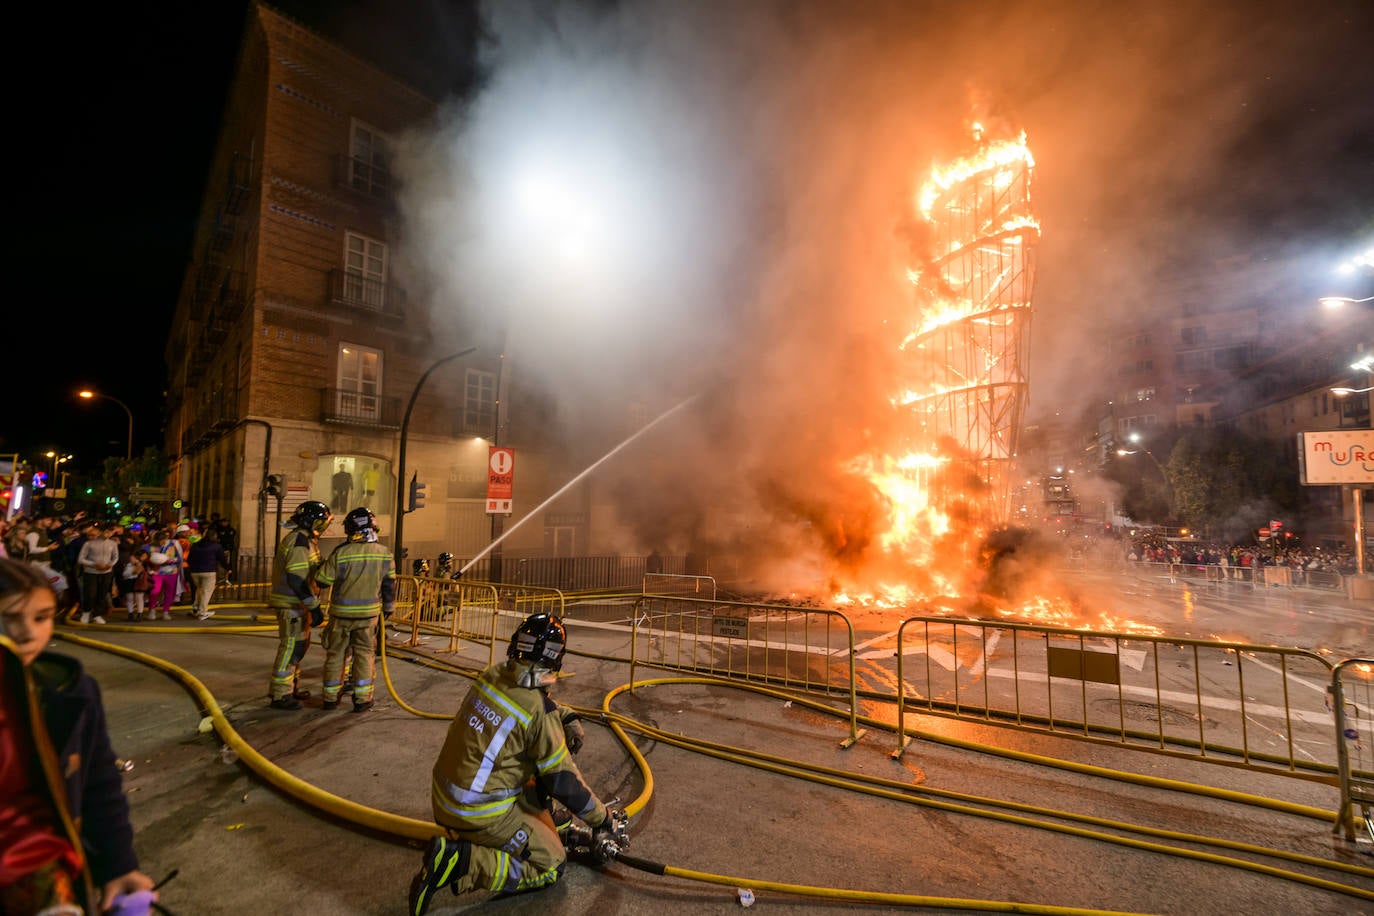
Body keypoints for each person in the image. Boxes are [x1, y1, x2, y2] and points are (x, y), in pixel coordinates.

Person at [408, 613, 628, 914]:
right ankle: (460, 862)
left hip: (446, 793)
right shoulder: (538, 712)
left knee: (528, 764)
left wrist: (564, 714)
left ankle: (546, 824)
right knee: (551, 865)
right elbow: (563, 781)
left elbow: (526, 699)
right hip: (478, 812)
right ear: (555, 659)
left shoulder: (494, 674)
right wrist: (603, 819)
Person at [0, 557, 158, 915]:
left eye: (42, 617)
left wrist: (118, 864)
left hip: (43, 876)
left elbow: (99, 781)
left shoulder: (70, 689)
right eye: (10, 617)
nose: (28, 633)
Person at [313, 507, 396, 713]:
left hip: (340, 615)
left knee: (335, 655)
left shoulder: (340, 553)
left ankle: (330, 698)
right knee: (365, 655)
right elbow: (389, 585)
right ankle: (362, 699)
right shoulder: (384, 554)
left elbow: (322, 581)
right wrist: (387, 609)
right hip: (368, 617)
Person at [267, 500, 331, 710]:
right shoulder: (299, 542)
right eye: (321, 522)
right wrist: (314, 606)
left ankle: (290, 687)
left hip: (298, 605)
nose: (323, 527)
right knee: (291, 648)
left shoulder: (306, 540)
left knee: (299, 647)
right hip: (291, 605)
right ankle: (280, 694)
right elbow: (296, 578)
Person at [76, 523, 120, 625]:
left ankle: (97, 614)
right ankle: (86, 612)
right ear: (100, 532)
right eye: (106, 532)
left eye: (109, 532)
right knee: (90, 593)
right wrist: (94, 564)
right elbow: (81, 559)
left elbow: (115, 557)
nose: (108, 534)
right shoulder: (89, 544)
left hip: (106, 572)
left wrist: (110, 564)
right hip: (91, 572)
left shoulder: (112, 544)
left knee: (102, 594)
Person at [186, 529, 231, 621]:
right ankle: (202, 612)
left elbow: (189, 558)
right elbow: (222, 559)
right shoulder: (216, 546)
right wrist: (228, 568)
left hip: (195, 572)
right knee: (206, 591)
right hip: (209, 571)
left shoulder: (195, 545)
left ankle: (196, 608)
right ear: (214, 536)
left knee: (199, 589)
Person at [146, 531, 184, 622]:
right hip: (156, 572)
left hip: (171, 572)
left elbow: (178, 559)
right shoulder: (149, 547)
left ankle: (166, 611)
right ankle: (152, 610)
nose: (161, 543)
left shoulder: (172, 545)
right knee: (155, 591)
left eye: (163, 541)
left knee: (169, 592)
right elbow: (143, 558)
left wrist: (169, 561)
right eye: (159, 541)